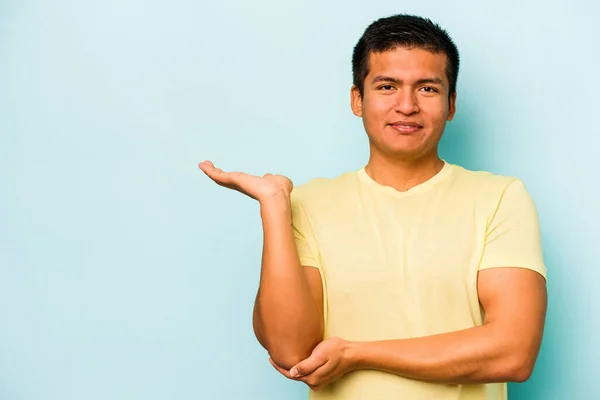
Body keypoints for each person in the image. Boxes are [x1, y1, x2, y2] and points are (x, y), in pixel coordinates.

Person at [198, 14, 547, 400]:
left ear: (450, 104)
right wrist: (274, 206)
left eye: (427, 89)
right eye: (387, 86)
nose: (407, 105)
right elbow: (291, 351)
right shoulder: (307, 204)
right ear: (357, 100)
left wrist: (359, 354)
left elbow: (513, 352)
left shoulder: (499, 198)